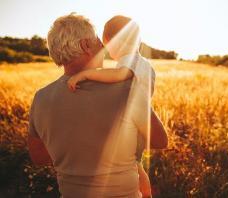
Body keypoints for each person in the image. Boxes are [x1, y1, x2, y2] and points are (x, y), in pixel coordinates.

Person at [27, 13, 168, 198]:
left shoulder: (41, 98)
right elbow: (160, 140)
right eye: (97, 41)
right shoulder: (126, 90)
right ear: (86, 46)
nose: (103, 46)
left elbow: (38, 157)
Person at [67, 15, 154, 197]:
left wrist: (87, 75)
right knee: (136, 164)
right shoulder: (145, 64)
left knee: (134, 166)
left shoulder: (129, 63)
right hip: (141, 121)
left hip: (134, 125)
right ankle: (146, 193)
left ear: (113, 43)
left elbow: (118, 75)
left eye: (106, 45)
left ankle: (145, 193)